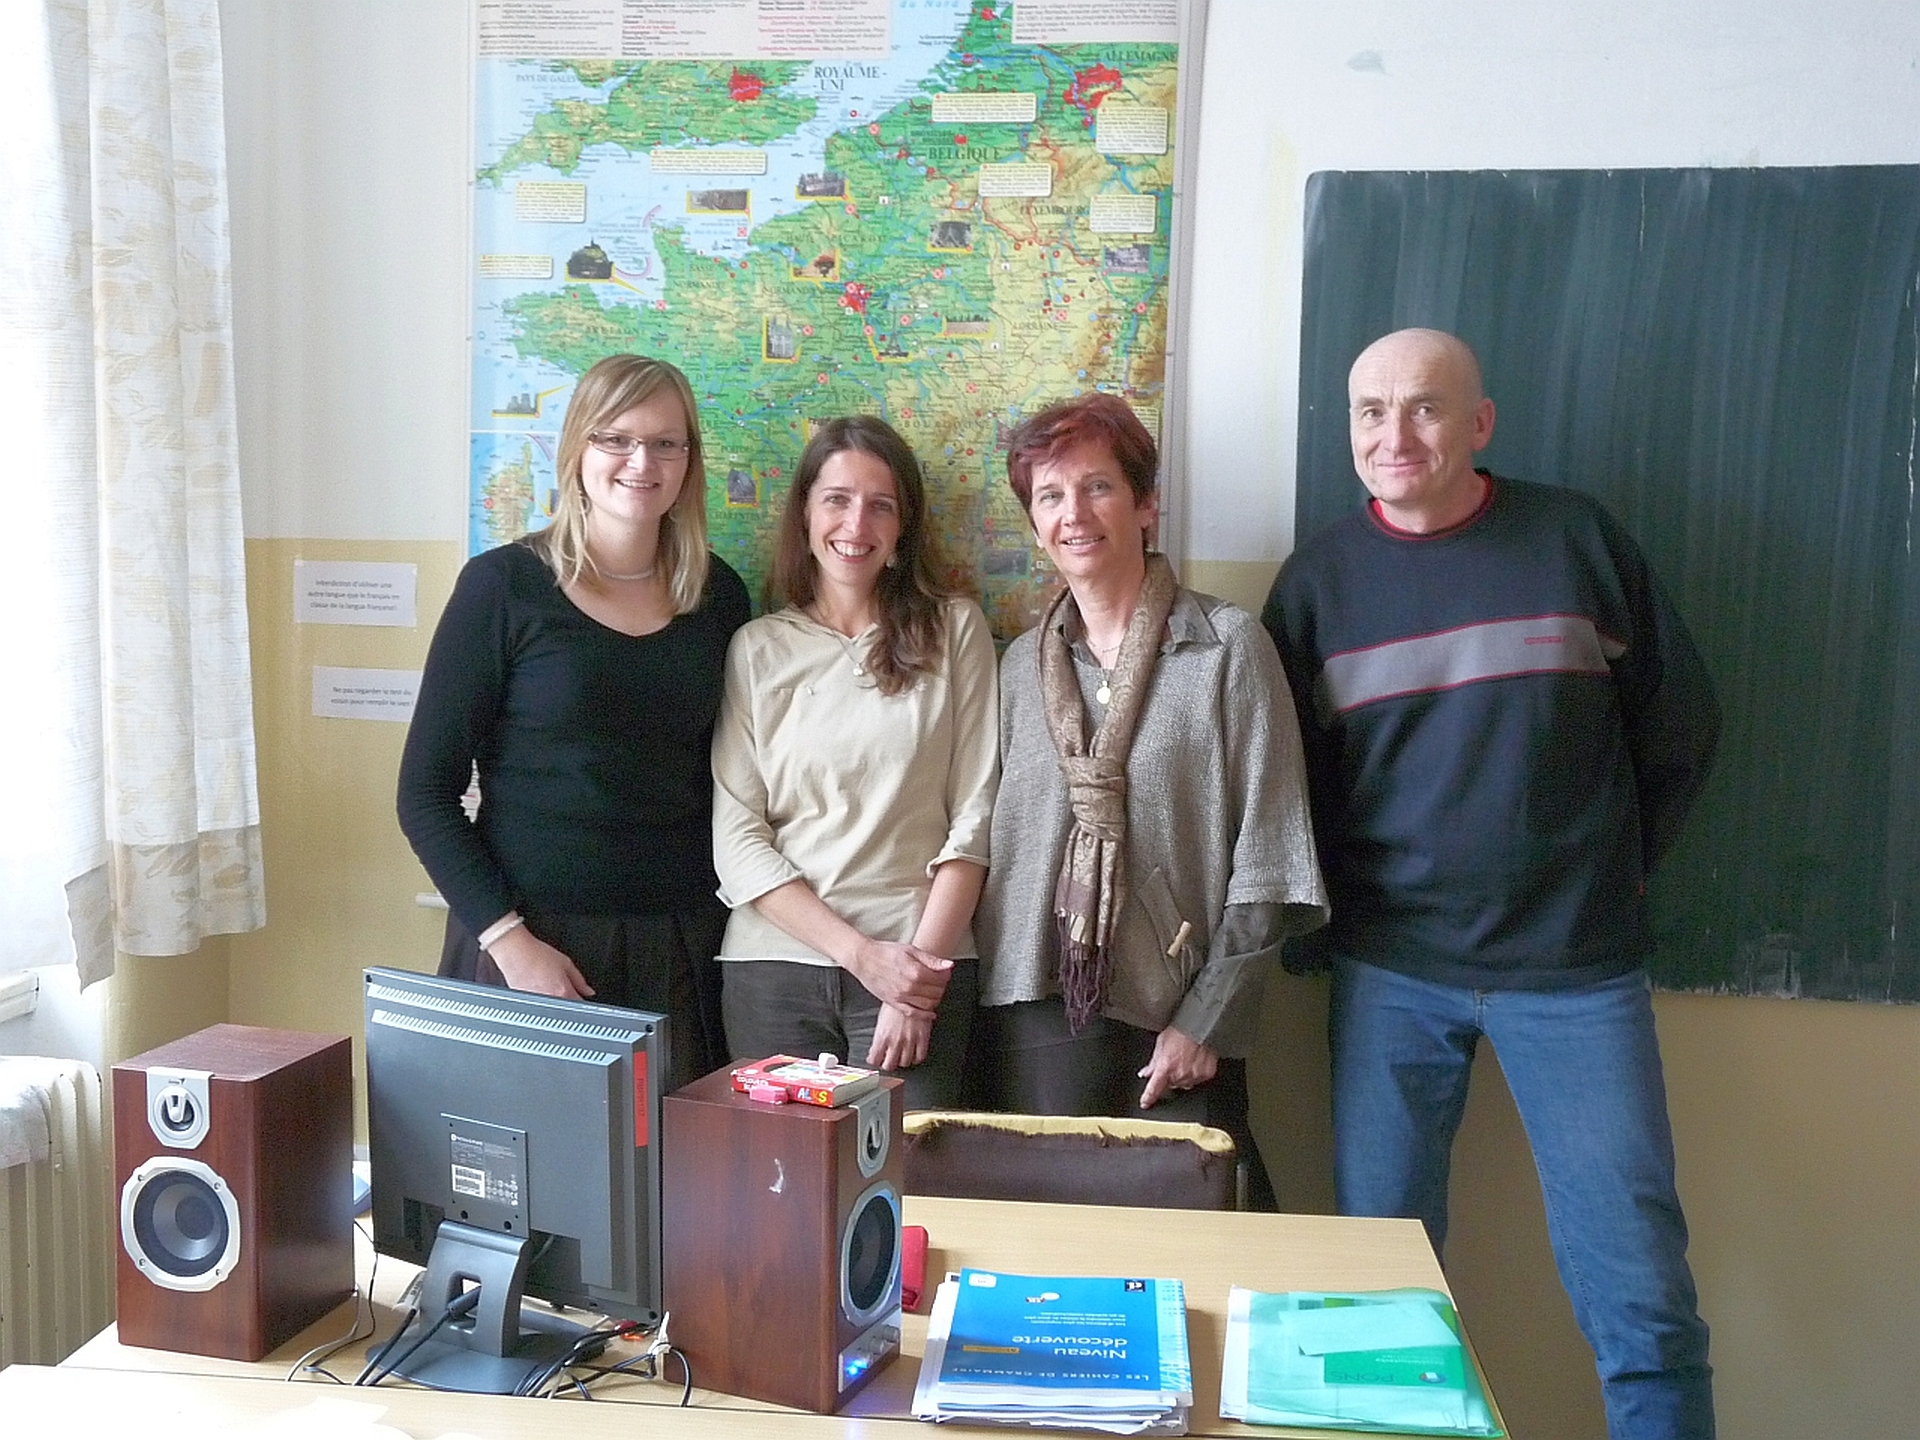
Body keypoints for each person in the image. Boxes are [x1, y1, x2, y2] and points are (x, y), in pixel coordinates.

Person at [1263, 328, 1719, 1439]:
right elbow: (1288, 794)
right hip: (1392, 974)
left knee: (1641, 1294)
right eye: (1370, 410)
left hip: (1576, 974)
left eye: (1424, 408)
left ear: (1480, 424)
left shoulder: (1575, 543)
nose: (1394, 434)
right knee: (1379, 1289)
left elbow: (1680, 729)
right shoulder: (1316, 586)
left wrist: (1605, 874)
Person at [971, 393, 1328, 1206]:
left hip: (1175, 1017)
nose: (1073, 513)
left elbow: (1270, 855)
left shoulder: (1228, 648)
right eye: (1050, 496)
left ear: (1145, 505)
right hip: (1035, 1013)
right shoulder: (1018, 668)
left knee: (1193, 1248)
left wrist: (1207, 1021)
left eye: (1097, 486)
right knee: (1054, 1257)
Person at [397, 354, 749, 1091]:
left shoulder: (718, 596)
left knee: (670, 1161)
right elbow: (424, 793)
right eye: (616, 438)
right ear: (577, 449)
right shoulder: (502, 586)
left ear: (689, 460)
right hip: (528, 946)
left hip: (680, 948)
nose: (641, 462)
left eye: (665, 443)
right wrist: (511, 943)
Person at [710, 416, 997, 1109]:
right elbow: (738, 840)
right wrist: (860, 956)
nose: (856, 523)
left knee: (907, 1169)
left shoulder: (954, 630)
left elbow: (977, 817)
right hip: (773, 969)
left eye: (881, 505)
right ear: (806, 514)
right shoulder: (756, 648)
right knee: (778, 1175)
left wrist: (912, 983)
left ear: (903, 529)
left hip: (917, 964)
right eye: (836, 499)